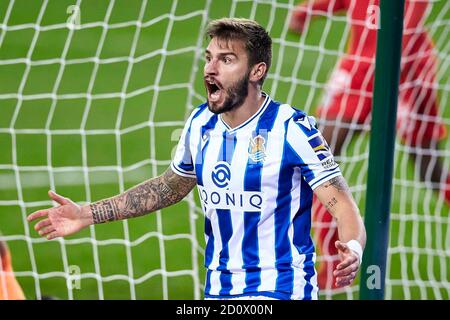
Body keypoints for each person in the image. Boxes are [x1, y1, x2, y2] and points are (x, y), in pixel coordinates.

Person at [27, 18, 366, 300]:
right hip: (218, 290)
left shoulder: (292, 128)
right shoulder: (200, 123)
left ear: (256, 71)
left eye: (226, 60)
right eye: (208, 58)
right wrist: (86, 213)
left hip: (279, 289)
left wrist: (352, 247)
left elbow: (342, 204)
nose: (210, 70)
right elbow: (171, 186)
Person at [289, 0, 449, 290]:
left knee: (430, 169)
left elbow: (409, 20)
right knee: (316, 160)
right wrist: (306, 11)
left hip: (409, 70)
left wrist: (386, 62)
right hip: (359, 69)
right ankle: (335, 263)